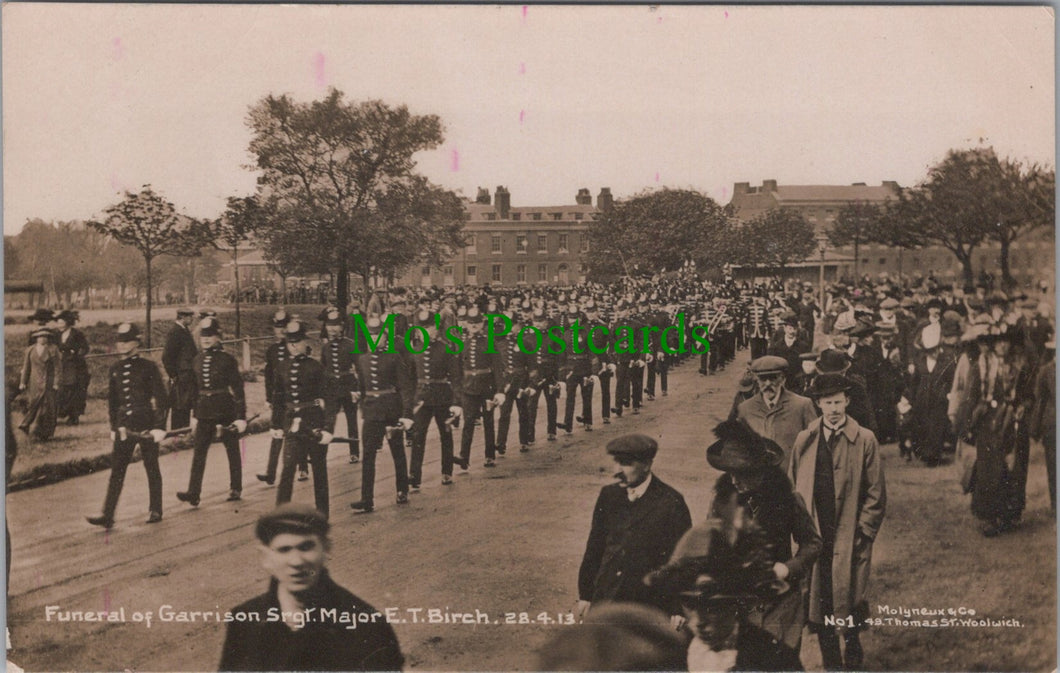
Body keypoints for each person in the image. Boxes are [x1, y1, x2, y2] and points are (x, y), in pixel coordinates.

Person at [218, 504, 404, 672]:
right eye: (284, 550)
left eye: (306, 547)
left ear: (326, 548)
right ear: (265, 557)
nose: (297, 562)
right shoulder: (244, 622)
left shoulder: (367, 627)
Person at [789, 373, 886, 670]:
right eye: (828, 402)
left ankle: (853, 643)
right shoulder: (805, 439)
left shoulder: (864, 439)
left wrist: (864, 531)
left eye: (838, 401)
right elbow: (793, 485)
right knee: (820, 599)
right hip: (818, 532)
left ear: (847, 402)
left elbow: (876, 493)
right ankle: (831, 659)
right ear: (818, 404)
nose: (834, 408)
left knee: (851, 593)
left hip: (850, 532)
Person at [706, 419, 821, 660]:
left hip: (781, 606)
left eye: (743, 474)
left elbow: (812, 542)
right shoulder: (722, 505)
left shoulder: (788, 500)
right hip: (740, 605)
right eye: (730, 474)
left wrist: (788, 568)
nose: (735, 481)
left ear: (761, 471)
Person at [645, 515, 805, 671]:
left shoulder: (774, 660)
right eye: (690, 604)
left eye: (711, 607)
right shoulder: (672, 657)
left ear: (738, 603)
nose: (699, 621)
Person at [577, 434, 692, 622]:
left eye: (626, 464)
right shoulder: (609, 495)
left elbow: (681, 560)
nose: (617, 470)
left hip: (648, 605)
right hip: (607, 597)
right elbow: (595, 547)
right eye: (616, 462)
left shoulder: (671, 502)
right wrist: (586, 594)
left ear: (647, 465)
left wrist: (677, 609)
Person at [87, 323, 168, 528]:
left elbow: (162, 399)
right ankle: (108, 514)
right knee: (117, 470)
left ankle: (156, 509)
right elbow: (113, 403)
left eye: (127, 341)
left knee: (151, 466)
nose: (122, 345)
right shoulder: (115, 368)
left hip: (145, 423)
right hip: (124, 426)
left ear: (136, 342)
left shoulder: (148, 367)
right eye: (120, 341)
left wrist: (159, 427)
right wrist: (114, 427)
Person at [960, 327, 1034, 536]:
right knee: (990, 470)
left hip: (1013, 424)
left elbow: (1029, 396)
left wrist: (1022, 407)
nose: (1003, 345)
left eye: (1007, 342)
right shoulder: (981, 367)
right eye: (999, 342)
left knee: (1013, 468)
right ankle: (990, 517)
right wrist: (968, 426)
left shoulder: (1019, 368)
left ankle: (1009, 513)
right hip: (988, 426)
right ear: (992, 344)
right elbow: (971, 398)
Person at [348, 315, 416, 513]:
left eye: (379, 336)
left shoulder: (394, 358)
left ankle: (402, 489)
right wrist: (358, 397)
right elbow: (361, 387)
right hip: (371, 412)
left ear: (386, 338)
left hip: (391, 411)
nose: (375, 340)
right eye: (371, 336)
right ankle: (366, 498)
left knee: (397, 452)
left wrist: (406, 414)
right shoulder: (362, 360)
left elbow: (405, 388)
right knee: (368, 456)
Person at [177, 317, 246, 506]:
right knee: (199, 451)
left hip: (225, 409)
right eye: (203, 336)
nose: (206, 339)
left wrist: (241, 417)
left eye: (210, 335)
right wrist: (193, 414)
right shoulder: (196, 360)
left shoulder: (227, 360)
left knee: (231, 449)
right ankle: (194, 491)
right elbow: (193, 390)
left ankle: (236, 487)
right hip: (204, 411)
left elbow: (238, 390)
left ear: (218, 337)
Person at [272, 320, 333, 519]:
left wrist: (328, 428)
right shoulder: (281, 367)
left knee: (319, 467)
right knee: (288, 467)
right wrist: (275, 424)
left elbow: (329, 399)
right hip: (292, 423)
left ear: (304, 342)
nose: (294, 346)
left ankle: (322, 512)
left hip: (313, 422)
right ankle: (281, 512)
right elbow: (278, 397)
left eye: (297, 342)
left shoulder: (315, 367)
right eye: (290, 343)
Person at [408, 310, 462, 488]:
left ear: (436, 329)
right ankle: (414, 476)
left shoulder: (446, 348)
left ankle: (447, 471)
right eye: (422, 328)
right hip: (422, 399)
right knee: (418, 436)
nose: (426, 331)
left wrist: (456, 402)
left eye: (429, 327)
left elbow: (455, 377)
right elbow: (409, 379)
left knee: (445, 435)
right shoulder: (413, 350)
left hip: (442, 398)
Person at [736, 355, 818, 464]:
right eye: (763, 379)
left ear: (783, 379)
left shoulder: (802, 405)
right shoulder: (746, 408)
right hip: (759, 476)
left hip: (790, 476)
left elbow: (815, 444)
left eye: (773, 378)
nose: (768, 384)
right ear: (757, 381)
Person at [258, 310, 308, 485]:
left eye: (282, 327)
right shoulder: (272, 350)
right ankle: (270, 472)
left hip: (295, 398)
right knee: (277, 432)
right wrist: (269, 397)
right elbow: (269, 376)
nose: (279, 331)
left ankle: (302, 468)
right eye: (276, 327)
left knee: (298, 432)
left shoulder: (295, 346)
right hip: (279, 398)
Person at [320, 309, 361, 464]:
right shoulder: (326, 347)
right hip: (331, 389)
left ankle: (354, 452)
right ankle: (322, 453)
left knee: (352, 420)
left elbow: (359, 368)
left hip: (348, 387)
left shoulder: (351, 345)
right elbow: (323, 369)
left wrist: (356, 390)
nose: (332, 329)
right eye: (329, 326)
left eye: (335, 326)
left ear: (342, 327)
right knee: (328, 421)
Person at [18, 328, 62, 440]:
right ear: (36, 338)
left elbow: (58, 368)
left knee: (47, 407)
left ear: (48, 338)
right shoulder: (30, 350)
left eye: (45, 336)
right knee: (34, 404)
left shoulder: (53, 349)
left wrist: (56, 382)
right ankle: (26, 425)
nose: (42, 339)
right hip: (34, 382)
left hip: (48, 382)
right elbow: (26, 367)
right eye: (40, 336)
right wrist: (23, 382)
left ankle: (41, 433)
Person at [1029, 340, 1056, 514]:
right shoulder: (1046, 371)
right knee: (1054, 466)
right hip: (1053, 425)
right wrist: (1035, 428)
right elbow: (1040, 401)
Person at [162, 308, 198, 430]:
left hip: (186, 377)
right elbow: (167, 357)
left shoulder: (184, 330)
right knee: (179, 406)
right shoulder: (175, 332)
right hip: (180, 377)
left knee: (185, 406)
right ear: (182, 317)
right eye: (189, 317)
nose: (192, 319)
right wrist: (173, 375)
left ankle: (183, 432)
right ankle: (178, 434)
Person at [54, 310, 90, 426]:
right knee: (62, 390)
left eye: (61, 323)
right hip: (61, 366)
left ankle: (73, 416)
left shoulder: (77, 334)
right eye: (58, 323)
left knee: (74, 390)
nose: (59, 325)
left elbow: (85, 348)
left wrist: (76, 353)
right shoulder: (56, 335)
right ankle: (61, 412)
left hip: (75, 366)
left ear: (68, 323)